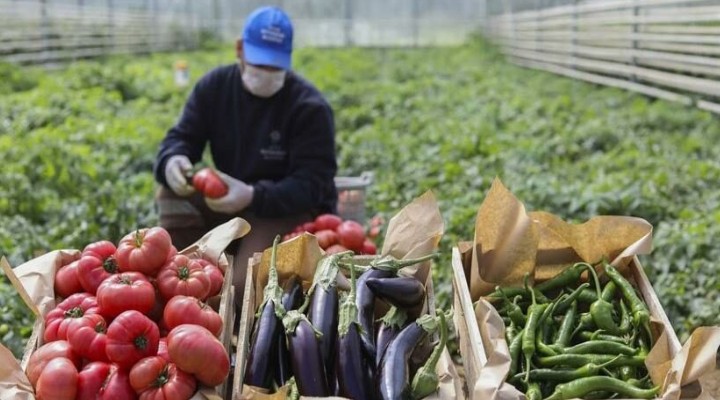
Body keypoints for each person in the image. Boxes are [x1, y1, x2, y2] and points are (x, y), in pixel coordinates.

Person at [152, 6, 338, 308]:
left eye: (274, 67)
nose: (265, 74)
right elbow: (181, 138)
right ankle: (186, 264)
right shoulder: (215, 88)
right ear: (240, 49)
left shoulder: (309, 108)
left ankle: (225, 294)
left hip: (282, 209)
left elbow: (312, 186)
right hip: (227, 202)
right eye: (258, 64)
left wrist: (252, 196)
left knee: (240, 290)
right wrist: (173, 160)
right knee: (170, 190)